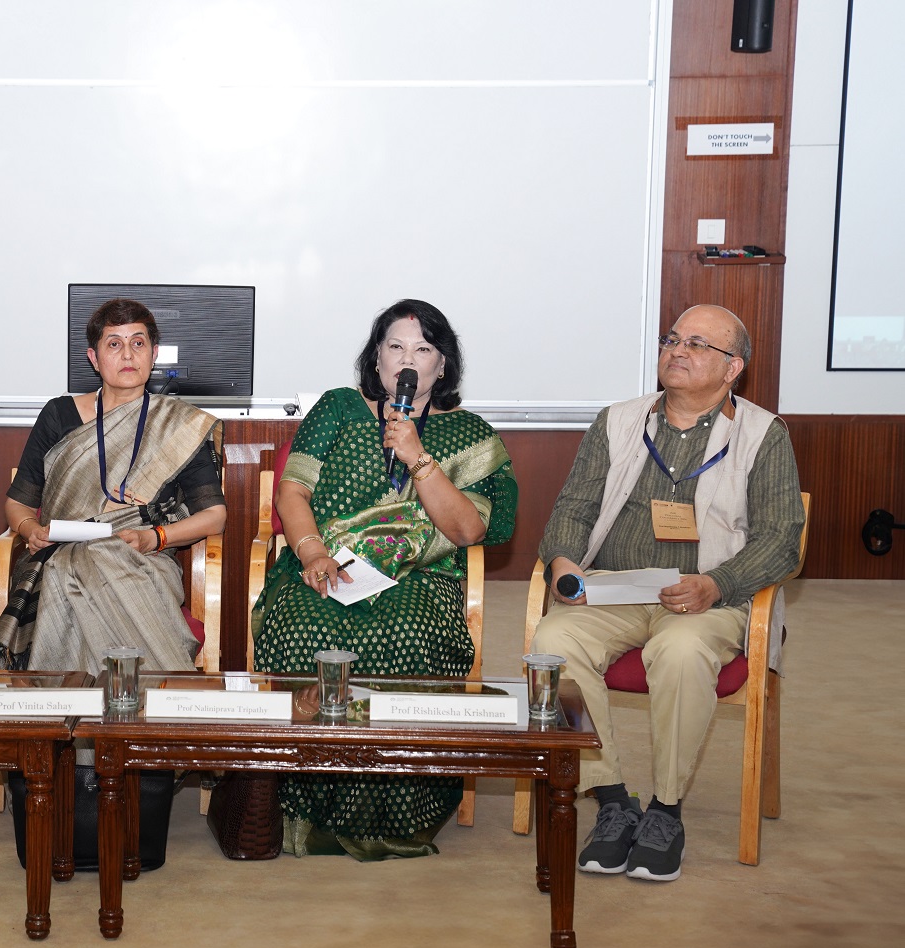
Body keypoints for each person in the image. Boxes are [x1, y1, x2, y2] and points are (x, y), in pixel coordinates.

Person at [532, 304, 804, 883]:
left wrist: (718, 584)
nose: (678, 351)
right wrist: (561, 564)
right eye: (672, 339)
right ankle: (610, 798)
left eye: (699, 344)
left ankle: (665, 810)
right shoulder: (618, 421)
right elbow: (573, 509)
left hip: (708, 597)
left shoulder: (763, 434)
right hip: (616, 591)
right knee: (552, 636)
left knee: (679, 653)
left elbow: (782, 539)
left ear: (734, 369)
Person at [251, 298, 517, 861]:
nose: (407, 360)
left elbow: (468, 530)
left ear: (443, 366)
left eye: (423, 349)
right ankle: (301, 812)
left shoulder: (470, 434)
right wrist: (313, 551)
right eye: (396, 346)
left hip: (420, 577)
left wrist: (419, 459)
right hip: (324, 564)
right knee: (304, 631)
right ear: (376, 358)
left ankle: (386, 814)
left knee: (401, 638)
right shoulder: (340, 409)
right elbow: (293, 492)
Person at [0, 298, 226, 673]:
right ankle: (158, 695)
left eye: (138, 343)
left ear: (154, 353)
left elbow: (214, 517)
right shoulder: (59, 415)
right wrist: (31, 530)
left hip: (144, 560)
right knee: (69, 569)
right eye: (114, 344)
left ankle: (77, 713)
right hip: (59, 555)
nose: (128, 354)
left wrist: (155, 538)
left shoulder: (178, 426)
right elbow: (18, 503)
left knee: (85, 568)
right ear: (94, 358)